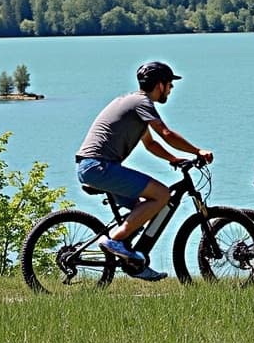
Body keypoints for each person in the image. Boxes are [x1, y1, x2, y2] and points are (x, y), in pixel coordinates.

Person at [74, 61, 213, 281]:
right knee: (161, 194)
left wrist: (174, 159)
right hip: (99, 167)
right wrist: (198, 151)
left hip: (95, 167)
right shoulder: (142, 102)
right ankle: (115, 240)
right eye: (170, 84)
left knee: (143, 209)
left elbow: (150, 144)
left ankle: (134, 263)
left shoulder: (133, 103)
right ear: (160, 85)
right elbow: (165, 134)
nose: (171, 89)